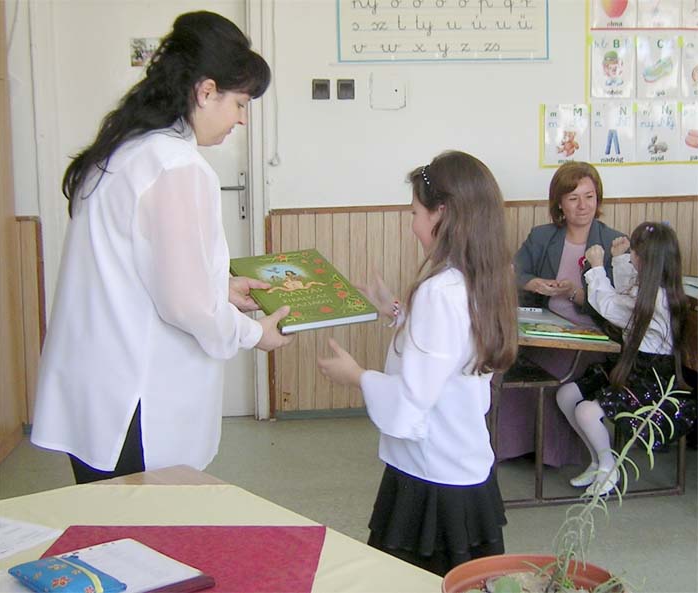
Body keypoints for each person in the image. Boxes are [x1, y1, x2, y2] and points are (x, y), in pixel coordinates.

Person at [30, 11, 293, 484]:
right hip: (134, 398)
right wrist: (255, 334)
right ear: (206, 91)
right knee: (139, 521)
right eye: (239, 103)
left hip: (94, 386)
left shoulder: (123, 149)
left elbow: (141, 268)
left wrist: (221, 287)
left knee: (104, 516)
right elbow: (185, 304)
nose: (242, 118)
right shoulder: (176, 167)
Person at [317, 151, 518, 576]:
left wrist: (357, 377)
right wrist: (395, 309)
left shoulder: (439, 291)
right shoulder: (480, 275)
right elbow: (448, 348)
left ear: (440, 213)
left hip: (433, 473)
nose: (412, 224)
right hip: (463, 459)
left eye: (414, 212)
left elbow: (414, 396)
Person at [497, 161, 626, 468]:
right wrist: (533, 283)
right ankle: (518, 446)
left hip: (593, 337)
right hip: (546, 326)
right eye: (573, 198)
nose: (583, 206)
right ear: (559, 203)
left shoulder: (613, 242)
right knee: (506, 363)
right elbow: (513, 273)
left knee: (554, 368)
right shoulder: (542, 236)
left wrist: (575, 294)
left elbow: (620, 306)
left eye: (589, 197)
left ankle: (555, 453)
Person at [556, 222, 696, 495]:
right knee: (566, 395)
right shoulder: (648, 288)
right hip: (631, 367)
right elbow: (626, 294)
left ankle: (609, 469)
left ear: (645, 260)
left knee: (586, 411)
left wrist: (597, 268)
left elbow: (611, 307)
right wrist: (619, 260)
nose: (632, 256)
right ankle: (599, 462)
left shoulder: (659, 301)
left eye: (634, 252)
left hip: (652, 381)